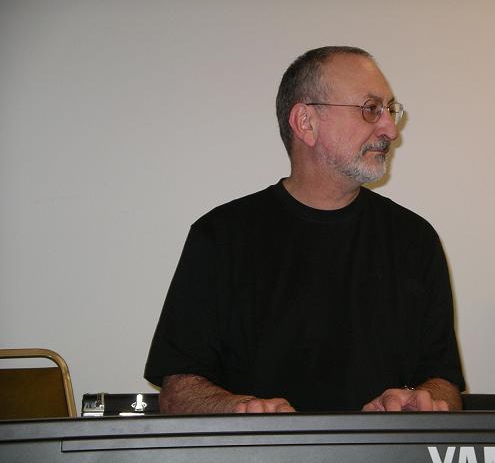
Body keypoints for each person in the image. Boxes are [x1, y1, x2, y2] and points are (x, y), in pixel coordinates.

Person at [144, 46, 465, 414]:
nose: (390, 129)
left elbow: (445, 383)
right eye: (370, 109)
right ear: (305, 123)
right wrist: (244, 410)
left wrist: (419, 402)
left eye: (390, 110)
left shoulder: (416, 239)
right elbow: (178, 392)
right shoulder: (220, 236)